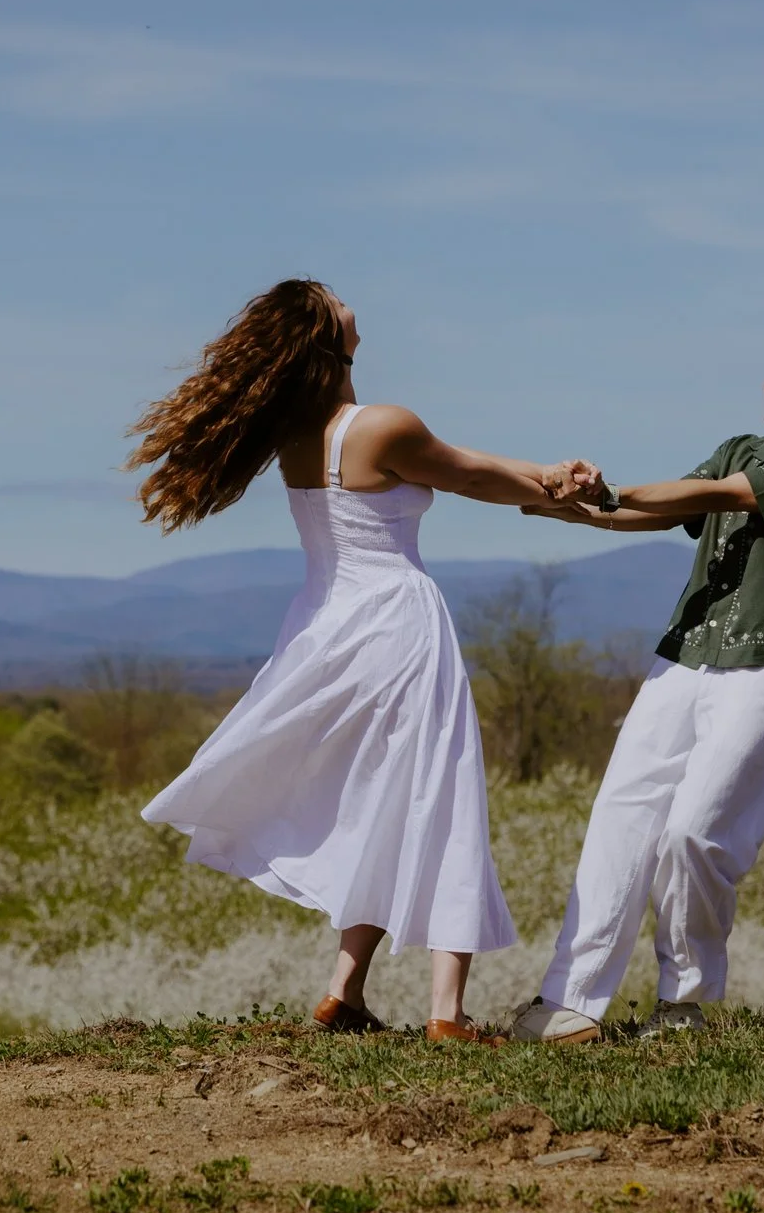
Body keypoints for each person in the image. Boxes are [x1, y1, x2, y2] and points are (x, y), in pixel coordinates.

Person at [129, 279, 576, 1043]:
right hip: (398, 624)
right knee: (441, 791)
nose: (348, 296)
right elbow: (467, 472)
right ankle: (446, 1012)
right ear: (324, 333)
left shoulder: (296, 436)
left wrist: (548, 477)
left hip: (329, 625)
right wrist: (555, 479)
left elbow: (466, 465)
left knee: (378, 800)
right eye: (333, 296)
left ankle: (345, 989)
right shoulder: (380, 426)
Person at [509, 324, 764, 1044]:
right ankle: (570, 1003)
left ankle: (683, 1005)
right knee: (619, 816)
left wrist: (609, 489)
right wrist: (575, 505)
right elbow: (673, 509)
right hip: (684, 655)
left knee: (693, 833)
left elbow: (718, 494)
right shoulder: (743, 445)